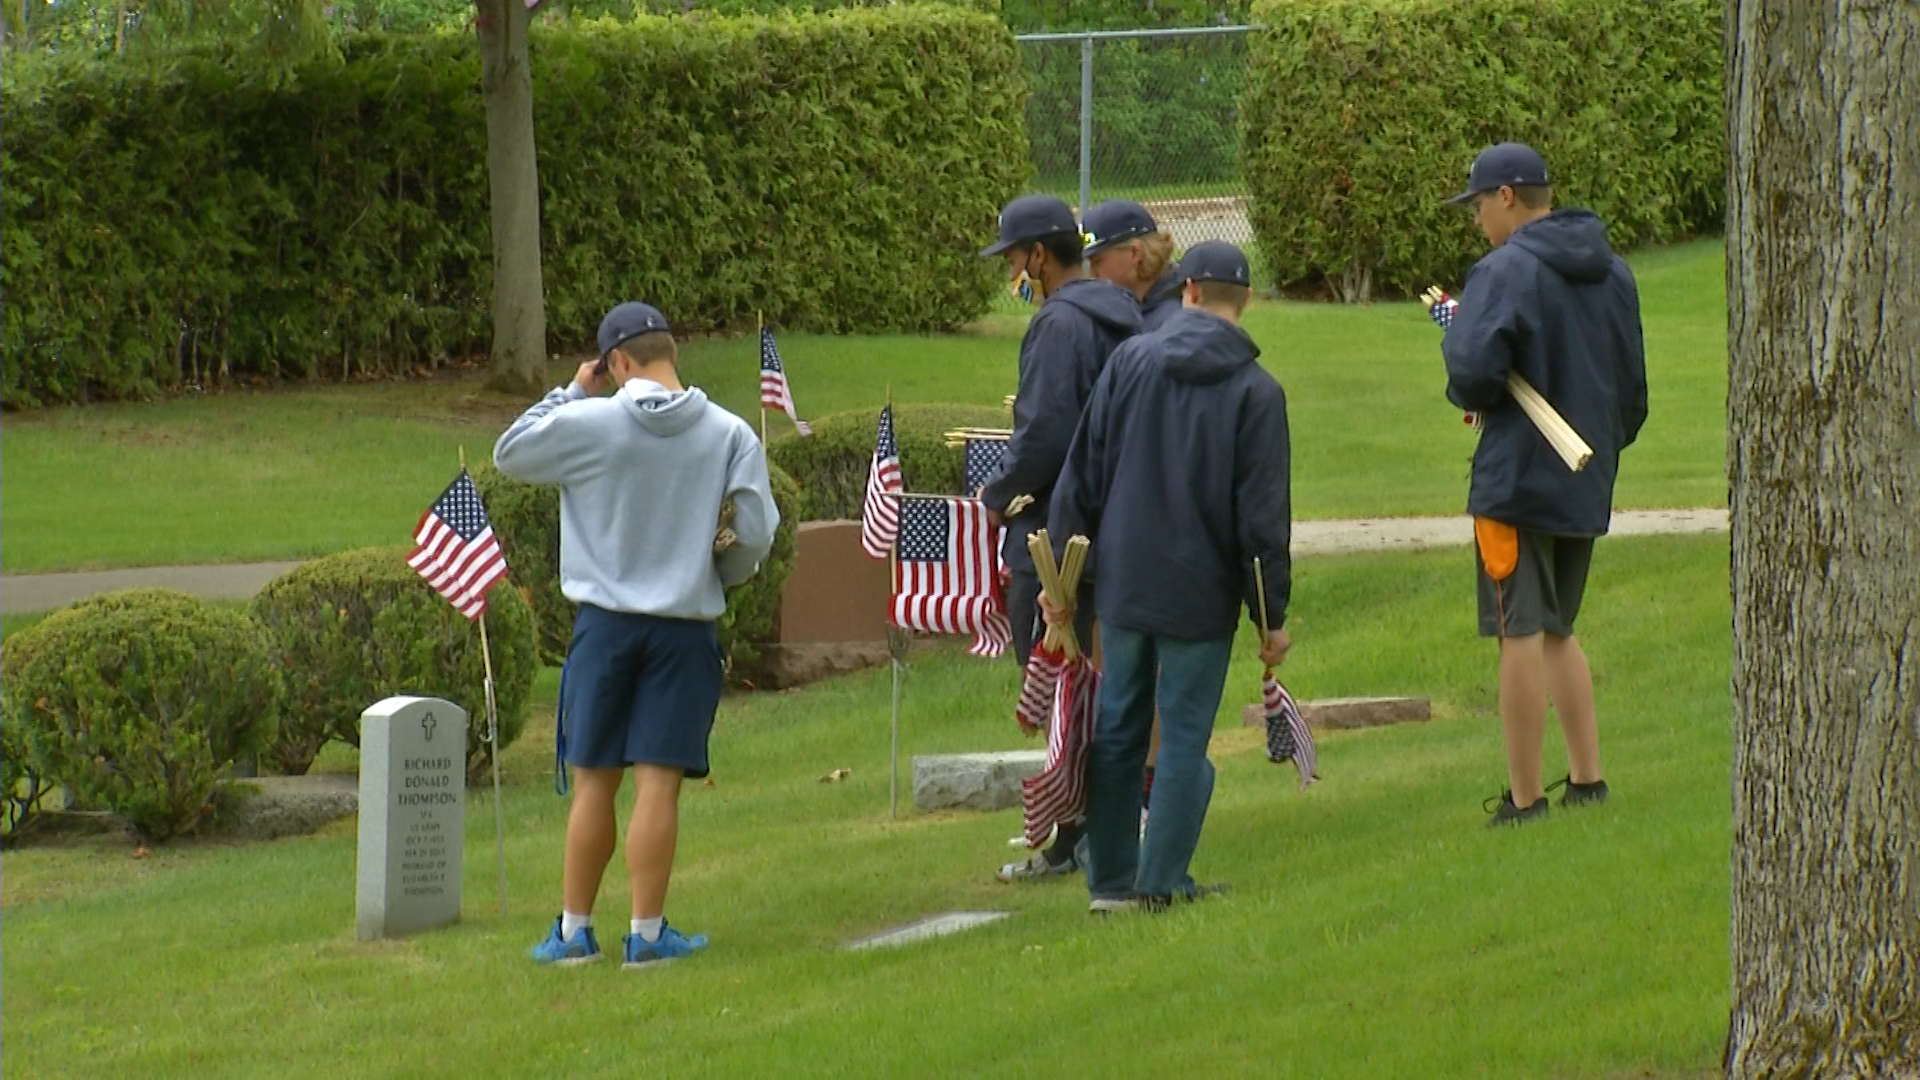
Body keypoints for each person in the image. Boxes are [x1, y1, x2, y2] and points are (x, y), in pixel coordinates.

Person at [494, 301, 780, 965]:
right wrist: (722, 573)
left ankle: (573, 933)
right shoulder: (729, 431)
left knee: (596, 781)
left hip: (605, 624)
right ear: (672, 353)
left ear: (616, 362)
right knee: (659, 781)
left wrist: (573, 390)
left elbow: (510, 452)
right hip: (684, 625)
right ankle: (647, 935)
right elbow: (756, 532)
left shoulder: (590, 422)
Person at [1044, 241, 1293, 913]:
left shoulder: (1129, 362)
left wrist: (1063, 578)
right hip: (1199, 592)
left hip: (1123, 583)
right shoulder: (1257, 392)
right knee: (1182, 735)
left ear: (1185, 292)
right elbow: (1262, 522)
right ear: (1245, 303)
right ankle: (1163, 882)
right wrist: (1272, 618)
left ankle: (1111, 883)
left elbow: (1081, 474)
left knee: (1119, 725)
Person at [1438, 143, 1648, 827]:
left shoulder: (1503, 271)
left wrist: (1459, 342)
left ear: (1506, 197)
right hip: (1585, 477)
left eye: (1477, 206)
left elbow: (1471, 374)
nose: (1476, 222)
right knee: (1560, 627)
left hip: (1514, 481)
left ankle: (1525, 799)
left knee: (1518, 631)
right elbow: (1633, 396)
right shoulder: (1614, 272)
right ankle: (1588, 780)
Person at [978, 194, 1143, 882]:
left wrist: (994, 496)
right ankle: (1103, 827)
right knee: (1099, 683)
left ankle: (1072, 838)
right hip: (1119, 520)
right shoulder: (1126, 313)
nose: (1013, 269)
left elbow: (1044, 434)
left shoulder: (1057, 326)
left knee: (1053, 684)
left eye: (1015, 258)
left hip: (1052, 531)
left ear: (1039, 257)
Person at [1082, 199, 1185, 332]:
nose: (1092, 273)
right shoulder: (1139, 308)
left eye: (1097, 261)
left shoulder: (1172, 323)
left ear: (1134, 253)